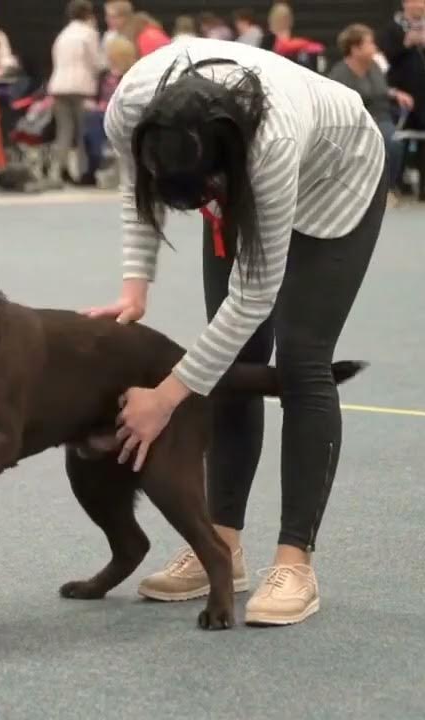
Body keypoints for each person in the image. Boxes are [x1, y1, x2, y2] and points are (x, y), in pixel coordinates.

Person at [90, 38, 387, 627]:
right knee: (229, 364)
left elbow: (254, 295)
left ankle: (295, 562)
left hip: (337, 177)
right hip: (238, 174)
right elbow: (135, 189)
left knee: (301, 358)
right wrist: (134, 288)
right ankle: (220, 545)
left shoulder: (271, 141)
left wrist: (165, 398)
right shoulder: (133, 106)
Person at [328, 24, 413, 196]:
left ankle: (385, 189)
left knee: (394, 142)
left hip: (381, 118)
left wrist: (395, 93)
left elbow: (381, 90)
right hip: (355, 123)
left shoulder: (374, 67)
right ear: (355, 49)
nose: (375, 47)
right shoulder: (339, 74)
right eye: (370, 43)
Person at [378, 0, 425, 205]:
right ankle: (398, 183)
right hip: (401, 93)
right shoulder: (392, 28)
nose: (420, 6)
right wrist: (406, 44)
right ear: (406, 4)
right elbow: (385, 57)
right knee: (401, 138)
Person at [47, 0, 103, 187]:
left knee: (64, 131)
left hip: (58, 86)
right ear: (88, 14)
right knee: (83, 133)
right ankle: (83, 173)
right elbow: (96, 61)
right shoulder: (89, 33)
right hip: (81, 87)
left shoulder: (63, 34)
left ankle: (57, 172)